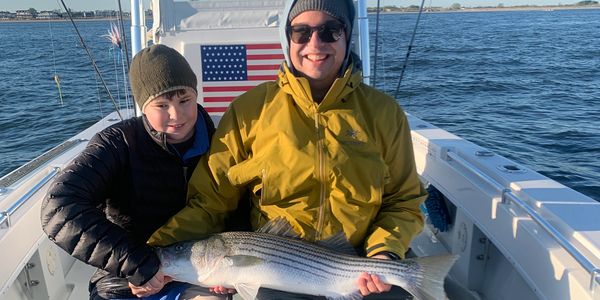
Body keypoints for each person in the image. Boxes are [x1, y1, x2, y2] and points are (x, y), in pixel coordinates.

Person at [149, 0, 428, 298]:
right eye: (301, 32)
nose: (315, 43)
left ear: (347, 36)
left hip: (361, 260)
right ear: (287, 38)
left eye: (330, 30)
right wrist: (151, 253)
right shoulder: (250, 110)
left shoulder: (384, 112)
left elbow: (404, 200)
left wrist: (384, 251)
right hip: (275, 269)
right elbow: (210, 201)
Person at [40, 44, 226, 300]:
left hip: (199, 273)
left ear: (196, 95)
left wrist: (231, 272)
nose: (176, 114)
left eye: (185, 100)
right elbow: (59, 208)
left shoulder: (222, 143)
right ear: (143, 107)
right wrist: (135, 264)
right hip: (125, 276)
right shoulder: (118, 143)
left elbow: (235, 205)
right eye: (162, 105)